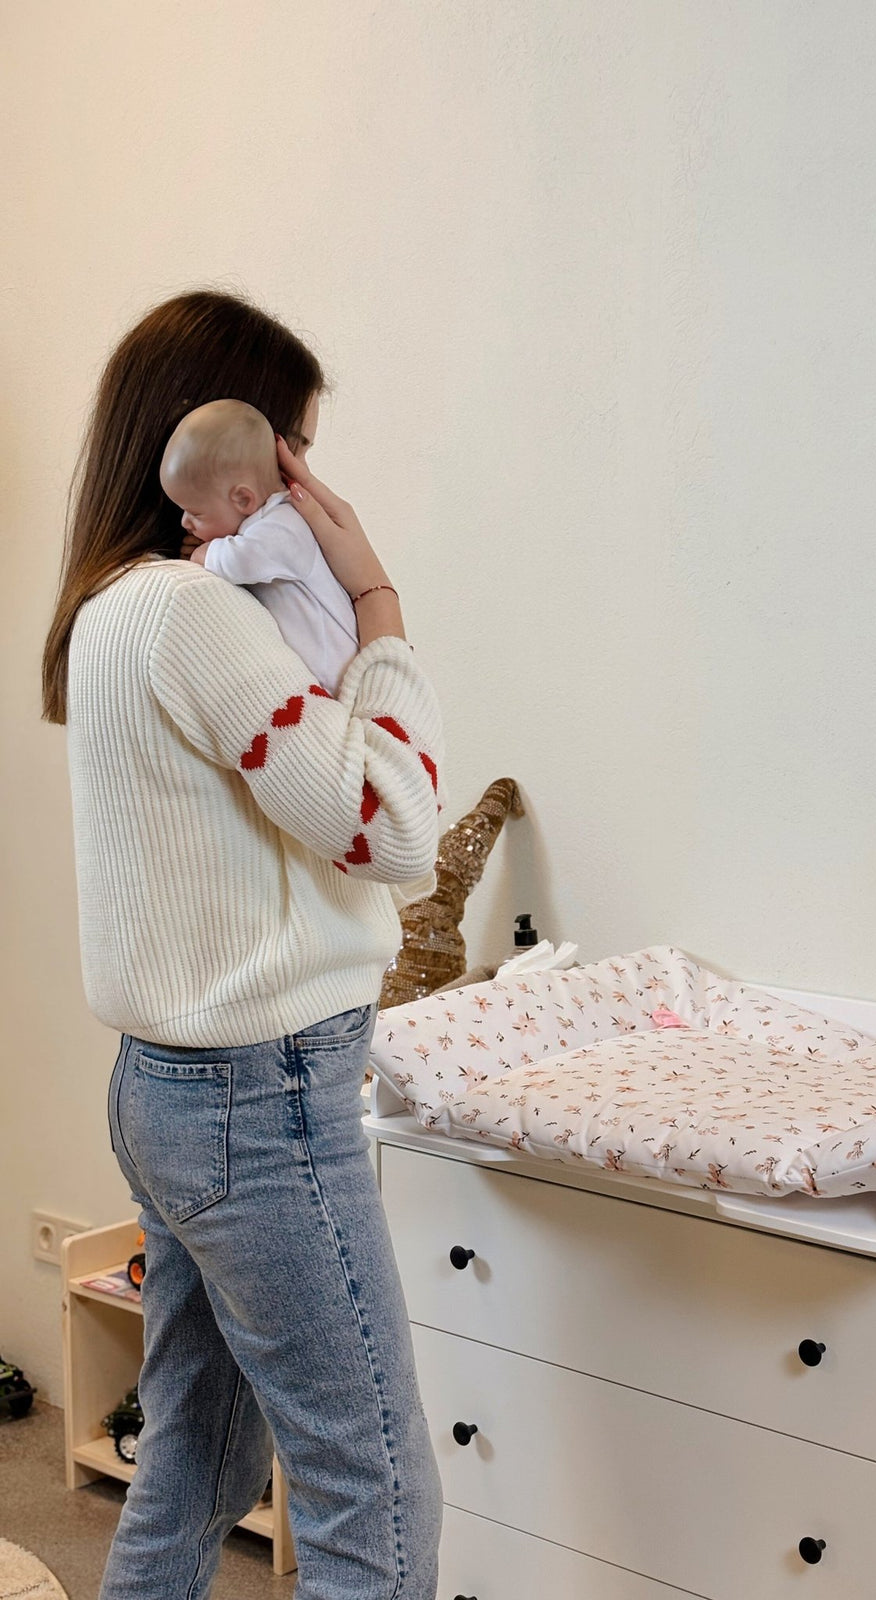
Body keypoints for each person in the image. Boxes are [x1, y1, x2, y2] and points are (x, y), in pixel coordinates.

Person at [40, 289, 444, 1599]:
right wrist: (376, 599)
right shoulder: (196, 617)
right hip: (259, 1104)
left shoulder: (115, 609)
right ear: (243, 455)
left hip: (169, 1091)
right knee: (371, 1482)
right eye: (298, 456)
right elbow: (392, 830)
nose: (308, 490)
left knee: (198, 1461)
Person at [160, 397, 360, 696]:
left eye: (196, 513)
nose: (185, 523)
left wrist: (204, 554)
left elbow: (245, 559)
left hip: (336, 677)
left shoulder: (286, 522)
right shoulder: (260, 525)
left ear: (243, 499)